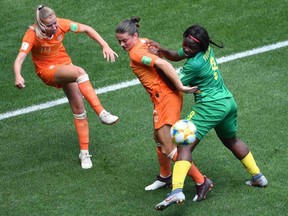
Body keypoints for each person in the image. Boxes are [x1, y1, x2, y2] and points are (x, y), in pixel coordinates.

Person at [147, 24, 268, 211]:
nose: (186, 49)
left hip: (209, 106)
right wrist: (161, 50)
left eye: (190, 47)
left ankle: (176, 190)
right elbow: (177, 55)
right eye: (185, 44)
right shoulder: (204, 50)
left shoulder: (195, 64)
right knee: (231, 140)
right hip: (227, 102)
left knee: (184, 144)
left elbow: (173, 83)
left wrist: (153, 62)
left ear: (200, 47)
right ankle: (258, 177)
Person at [115, 17, 213, 201]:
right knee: (158, 139)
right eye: (119, 41)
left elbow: (163, 64)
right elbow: (156, 52)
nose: (121, 44)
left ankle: (202, 181)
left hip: (166, 99)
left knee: (169, 146)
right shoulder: (143, 42)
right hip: (164, 97)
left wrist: (180, 86)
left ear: (134, 35)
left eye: (125, 40)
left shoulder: (136, 53)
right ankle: (165, 176)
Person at [13, 5, 119, 169]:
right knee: (80, 72)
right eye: (49, 25)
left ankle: (84, 154)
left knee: (79, 108)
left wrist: (105, 45)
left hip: (64, 66)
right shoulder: (32, 35)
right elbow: (19, 59)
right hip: (47, 71)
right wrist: (18, 75)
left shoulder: (61, 24)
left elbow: (86, 28)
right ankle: (102, 113)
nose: (54, 27)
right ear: (41, 25)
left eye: (55, 23)